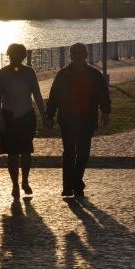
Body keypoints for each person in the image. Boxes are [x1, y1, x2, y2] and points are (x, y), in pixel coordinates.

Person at [45, 43, 111, 198]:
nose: (77, 56)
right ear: (70, 56)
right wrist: (49, 116)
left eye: (79, 53)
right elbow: (54, 97)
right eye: (74, 53)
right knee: (69, 152)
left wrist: (106, 113)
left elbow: (103, 95)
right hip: (67, 119)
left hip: (87, 118)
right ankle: (69, 186)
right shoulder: (62, 75)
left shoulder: (94, 75)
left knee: (83, 153)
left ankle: (76, 182)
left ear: (86, 55)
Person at [0, 43, 47, 199]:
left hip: (26, 116)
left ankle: (25, 180)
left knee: (26, 151)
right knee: (12, 154)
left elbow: (37, 96)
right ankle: (15, 185)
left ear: (23, 57)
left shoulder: (29, 73)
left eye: (19, 55)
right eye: (12, 55)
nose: (15, 58)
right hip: (8, 116)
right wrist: (0, 120)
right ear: (8, 55)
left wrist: (44, 116)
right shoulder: (2, 74)